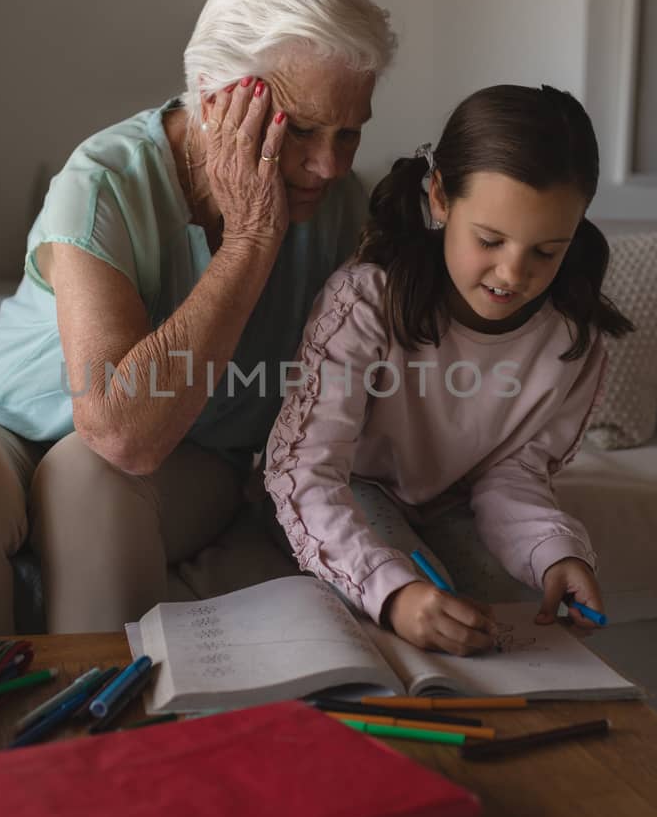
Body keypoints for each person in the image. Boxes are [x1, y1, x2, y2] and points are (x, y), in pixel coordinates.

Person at [0, 0, 397, 639]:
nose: (329, 165)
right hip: (3, 422)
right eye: (300, 129)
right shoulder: (104, 180)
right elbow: (116, 418)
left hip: (184, 457)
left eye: (349, 132)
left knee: (85, 479)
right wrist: (249, 240)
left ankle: (98, 743)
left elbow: (122, 447)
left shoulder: (341, 210)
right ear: (216, 99)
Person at [264, 84, 634, 656]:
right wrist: (395, 595)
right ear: (440, 197)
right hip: (349, 488)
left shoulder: (571, 341)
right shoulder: (365, 301)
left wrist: (556, 552)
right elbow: (306, 470)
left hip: (452, 503)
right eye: (489, 240)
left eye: (546, 251)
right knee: (426, 617)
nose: (512, 275)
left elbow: (514, 474)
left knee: (509, 612)